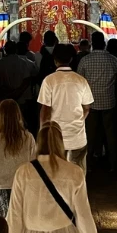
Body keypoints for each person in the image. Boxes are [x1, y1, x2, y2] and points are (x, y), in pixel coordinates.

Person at [38, 44, 93, 172]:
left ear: (55, 60)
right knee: (78, 174)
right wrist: (79, 120)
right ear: (71, 59)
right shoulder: (81, 80)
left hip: (55, 138)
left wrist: (43, 133)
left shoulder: (49, 81)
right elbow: (87, 107)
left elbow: (45, 110)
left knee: (57, 173)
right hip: (77, 137)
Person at [78, 32, 117, 172]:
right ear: (104, 44)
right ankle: (114, 164)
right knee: (111, 134)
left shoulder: (85, 60)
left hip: (90, 103)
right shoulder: (113, 60)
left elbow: (79, 82)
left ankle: (88, 164)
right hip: (109, 102)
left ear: (92, 44)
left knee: (90, 134)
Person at [0, 100, 36, 217]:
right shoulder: (29, 138)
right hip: (23, 187)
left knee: (5, 223)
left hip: (2, 188)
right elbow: (34, 167)